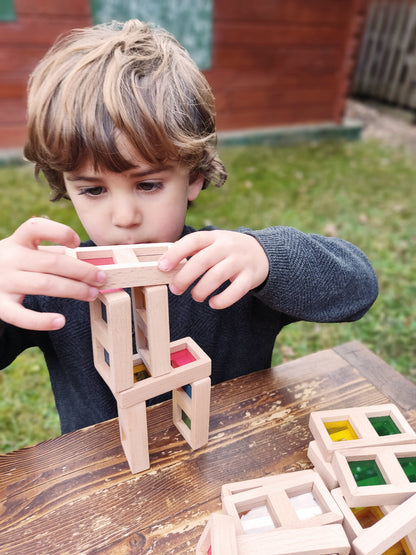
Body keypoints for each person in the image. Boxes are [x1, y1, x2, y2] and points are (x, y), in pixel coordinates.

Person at [0, 20, 378, 435]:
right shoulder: (56, 284)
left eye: (148, 184)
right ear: (65, 186)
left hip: (233, 459)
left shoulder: (230, 270)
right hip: (106, 479)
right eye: (93, 190)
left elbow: (358, 288)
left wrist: (269, 257)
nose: (124, 216)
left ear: (194, 177)